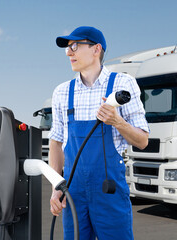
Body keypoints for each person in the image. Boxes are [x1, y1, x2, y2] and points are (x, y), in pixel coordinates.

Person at [48, 26, 149, 240]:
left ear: (96, 49)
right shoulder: (62, 92)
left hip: (109, 190)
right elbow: (56, 143)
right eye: (67, 48)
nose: (69, 52)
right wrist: (56, 187)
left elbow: (142, 140)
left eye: (74, 46)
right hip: (73, 192)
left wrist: (117, 122)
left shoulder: (123, 84)